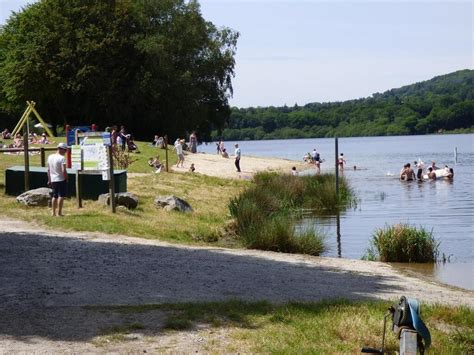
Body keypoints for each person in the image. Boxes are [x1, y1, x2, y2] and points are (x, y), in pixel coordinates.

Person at [47, 143, 68, 217]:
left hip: (53, 179)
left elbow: (48, 170)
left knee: (54, 196)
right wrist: (66, 178)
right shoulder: (62, 158)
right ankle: (59, 212)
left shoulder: (50, 157)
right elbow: (63, 170)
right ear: (61, 149)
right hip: (61, 178)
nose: (65, 152)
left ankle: (53, 212)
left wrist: (49, 179)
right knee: (61, 196)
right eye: (65, 150)